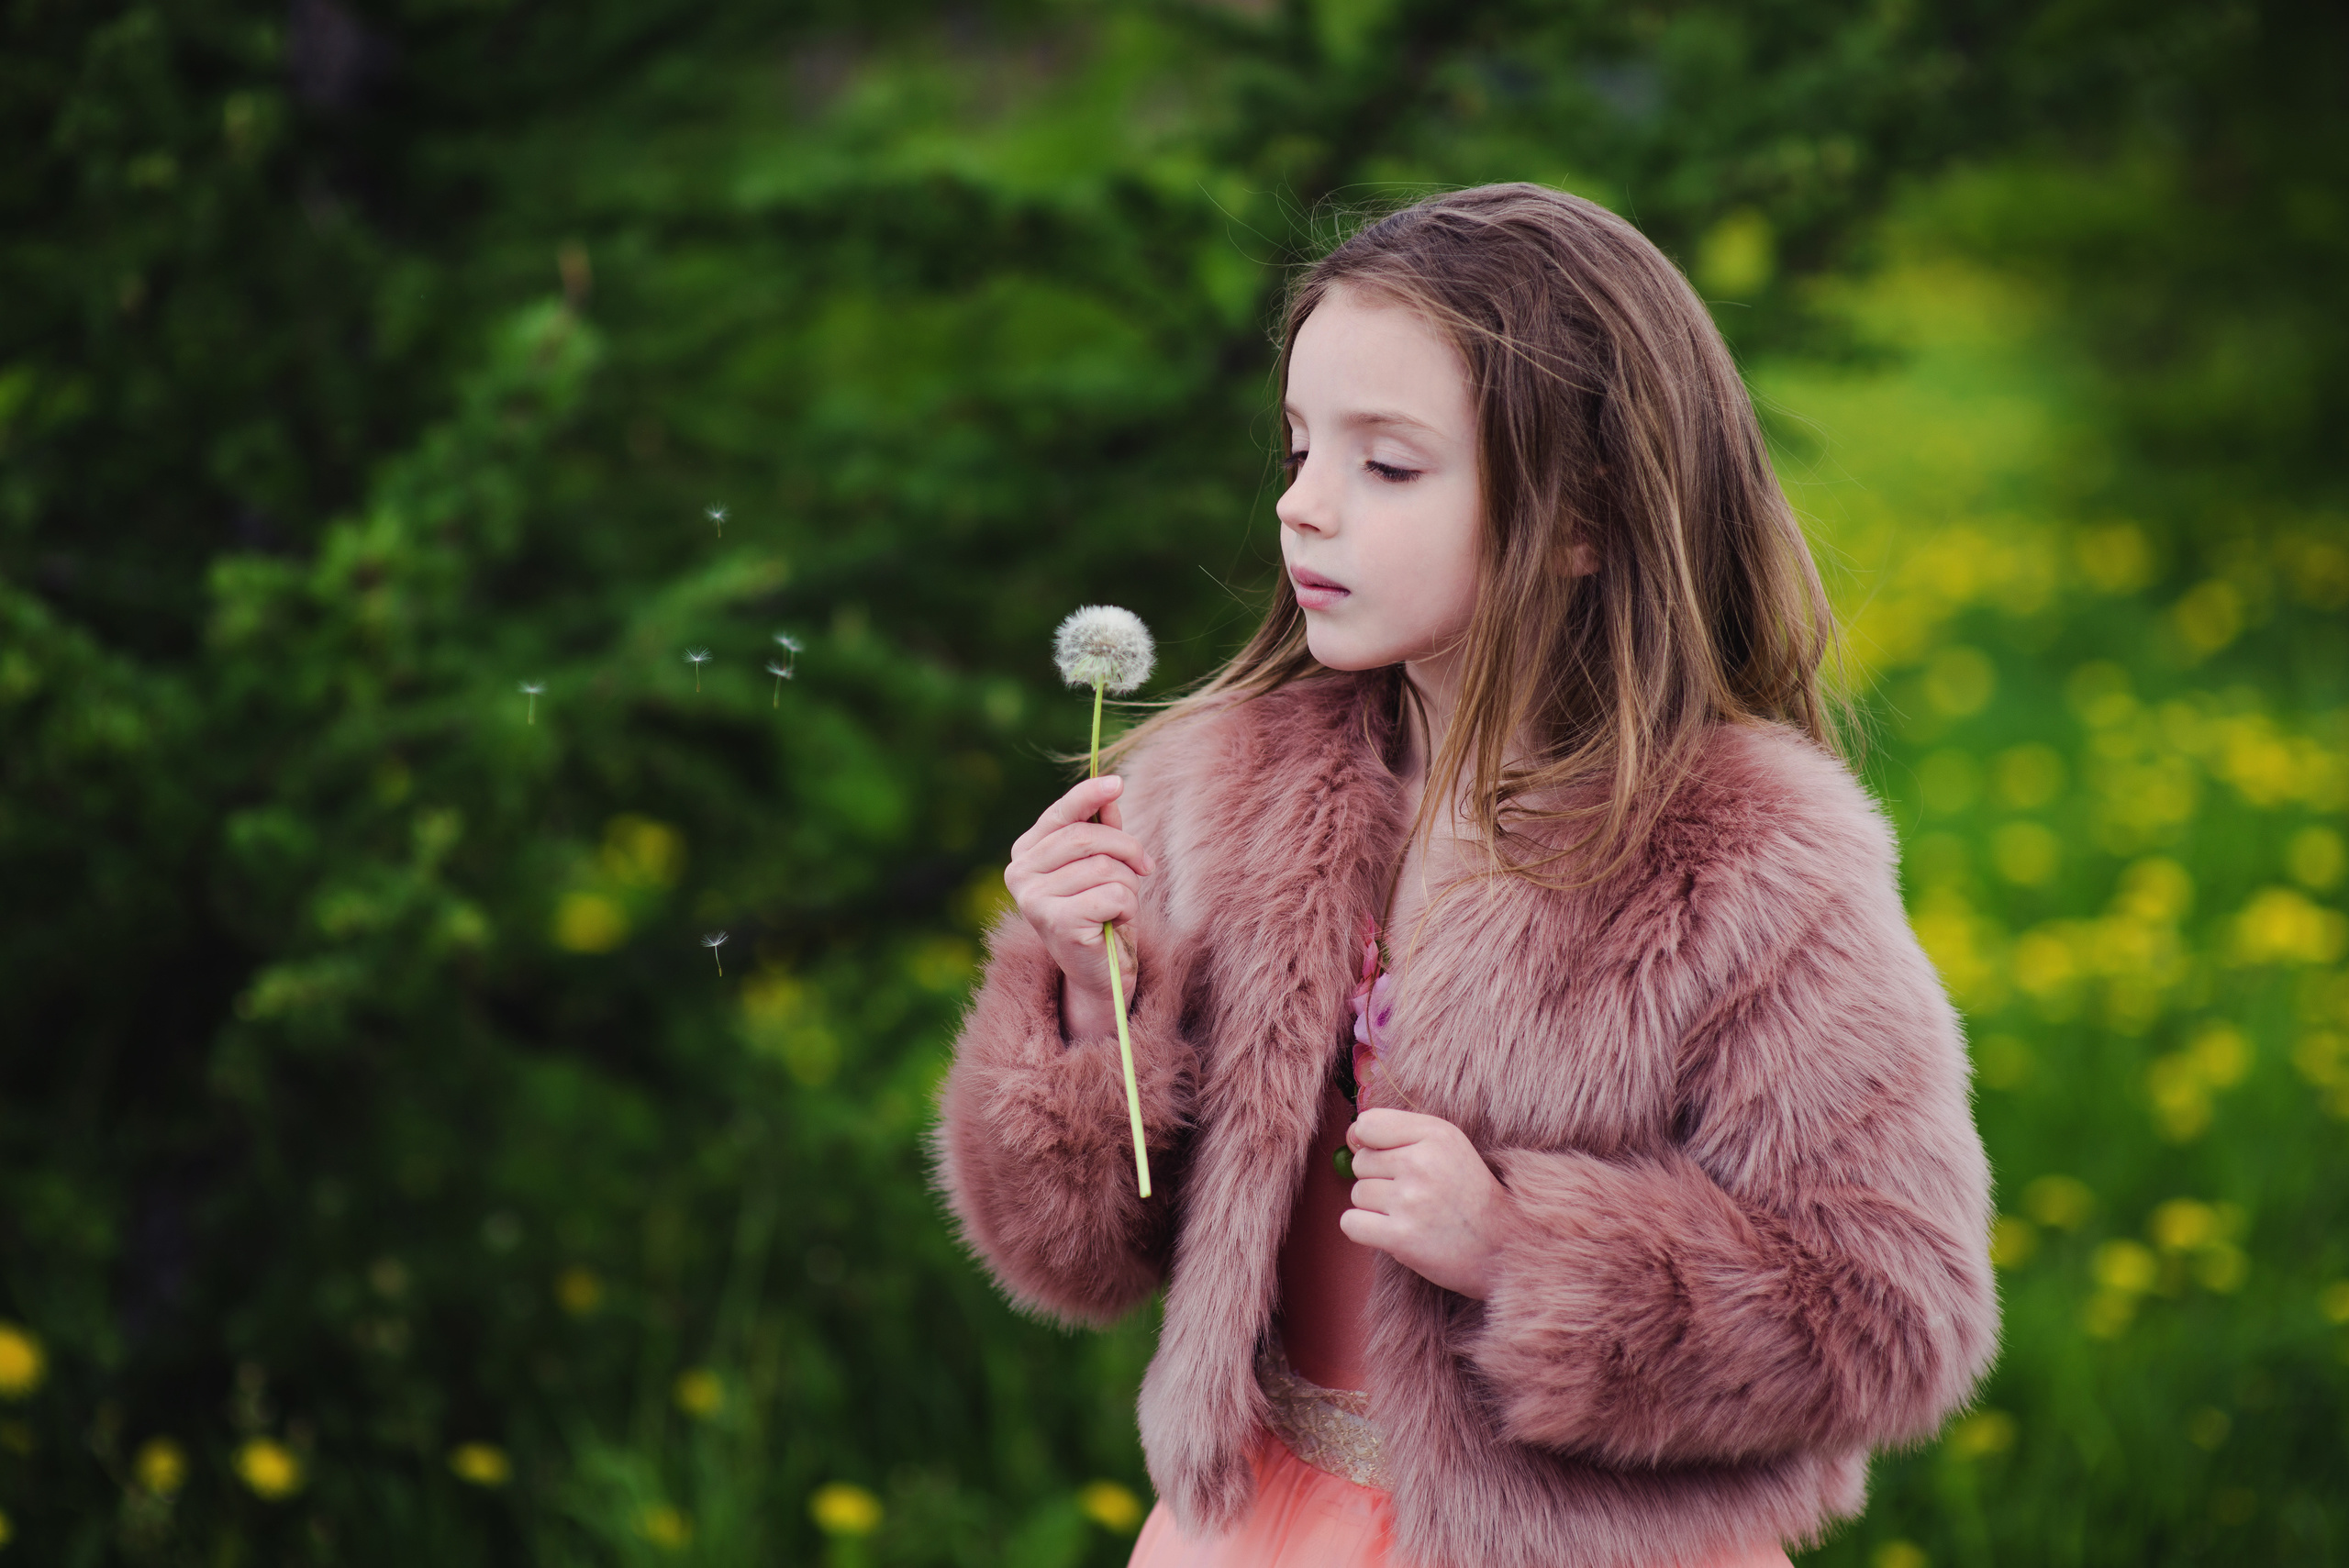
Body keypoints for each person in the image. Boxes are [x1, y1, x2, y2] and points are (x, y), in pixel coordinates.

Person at [932, 183, 1998, 1568]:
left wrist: (1522, 1253)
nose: (1301, 508)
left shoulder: (1745, 867)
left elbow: (1897, 1311)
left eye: (1386, 466)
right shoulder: (1217, 790)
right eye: (1300, 446)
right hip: (1259, 1528)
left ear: (1585, 518)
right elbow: (1084, 1257)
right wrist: (1088, 994)